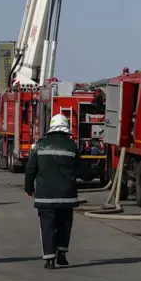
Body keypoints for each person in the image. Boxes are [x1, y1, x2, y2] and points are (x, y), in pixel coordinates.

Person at [24, 113, 81, 269]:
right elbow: (79, 168)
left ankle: (49, 259)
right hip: (67, 196)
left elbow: (30, 169)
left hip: (45, 196)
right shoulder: (71, 146)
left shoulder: (40, 145)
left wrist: (29, 188)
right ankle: (62, 254)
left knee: (47, 226)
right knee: (64, 224)